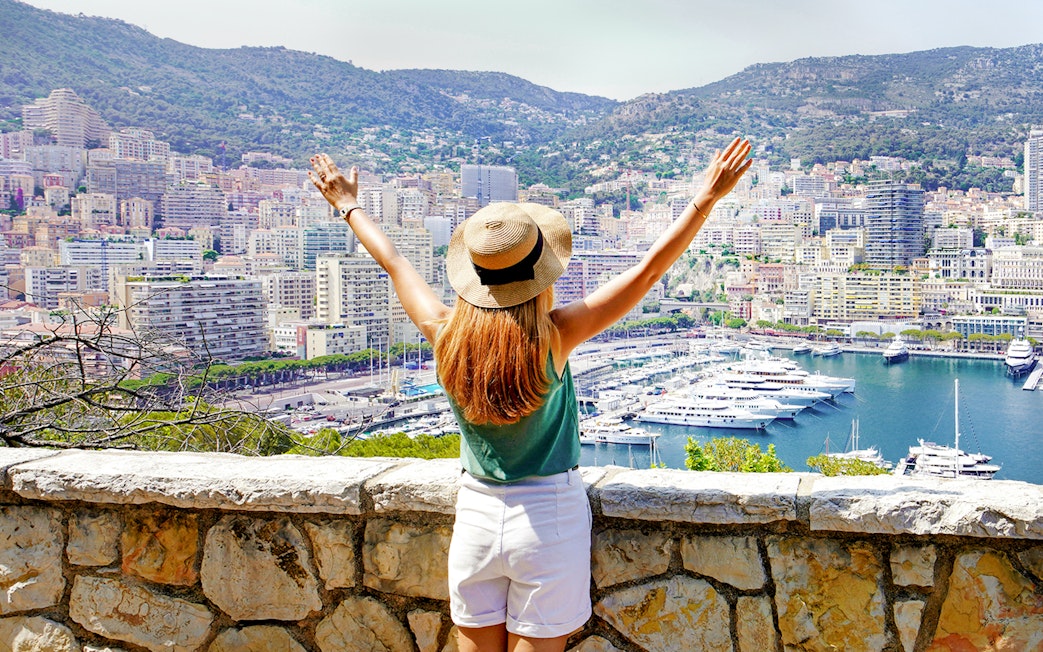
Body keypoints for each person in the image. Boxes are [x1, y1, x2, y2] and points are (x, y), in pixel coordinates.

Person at [309, 137, 752, 652]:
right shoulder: (556, 336)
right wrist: (706, 198)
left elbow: (395, 265)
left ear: (473, 276)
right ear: (541, 274)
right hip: (549, 519)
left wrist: (348, 205)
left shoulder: (444, 331)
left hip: (475, 515)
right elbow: (649, 270)